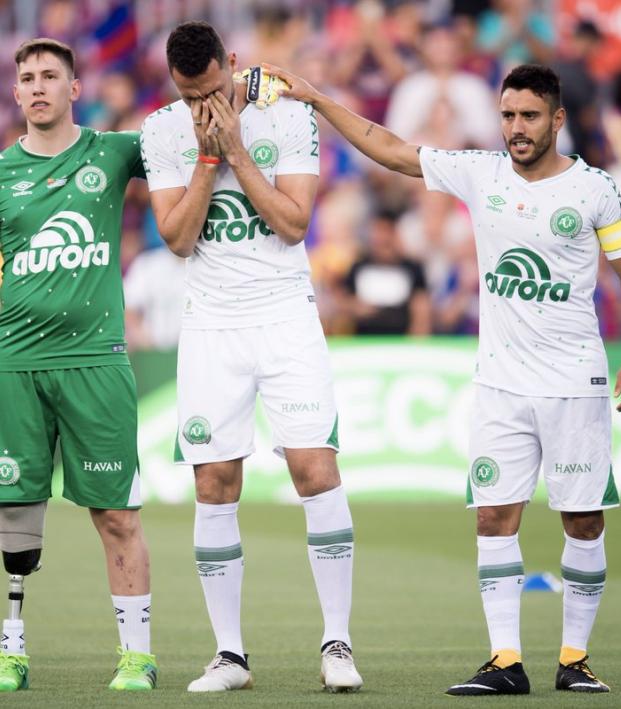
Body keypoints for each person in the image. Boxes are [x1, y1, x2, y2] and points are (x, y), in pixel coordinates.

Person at [265, 60, 621, 695]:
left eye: (530, 116)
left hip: (575, 384)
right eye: (508, 115)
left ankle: (575, 660)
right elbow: (391, 148)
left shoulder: (594, 190)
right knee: (492, 518)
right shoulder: (480, 172)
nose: (516, 127)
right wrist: (318, 97)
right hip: (499, 386)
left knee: (584, 521)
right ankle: (506, 661)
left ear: (557, 120)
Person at [140, 21, 362, 694]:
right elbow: (176, 239)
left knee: (313, 467)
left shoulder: (285, 117)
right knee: (214, 483)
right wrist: (206, 160)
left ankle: (336, 643)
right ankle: (230, 655)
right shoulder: (160, 130)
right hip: (211, 325)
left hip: (284, 316)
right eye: (188, 96)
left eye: (210, 90)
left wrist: (236, 150)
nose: (201, 107)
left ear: (231, 65)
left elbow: (293, 223)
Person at [0, 38, 157, 692]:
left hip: (94, 361)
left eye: (50, 76)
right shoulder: (1, 172)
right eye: (27, 77)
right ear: (16, 93)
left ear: (74, 87)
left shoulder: (114, 152)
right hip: (15, 365)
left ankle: (137, 655)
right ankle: (12, 651)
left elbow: (185, 139)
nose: (37, 87)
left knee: (116, 514)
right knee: (13, 514)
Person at [339, 209, 431, 335]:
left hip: (401, 341)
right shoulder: (359, 267)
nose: (381, 238)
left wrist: (415, 344)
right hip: (363, 342)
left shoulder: (412, 269)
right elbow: (344, 301)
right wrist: (355, 308)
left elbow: (422, 308)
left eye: (386, 231)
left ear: (395, 234)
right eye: (377, 232)